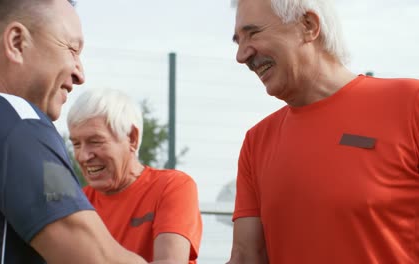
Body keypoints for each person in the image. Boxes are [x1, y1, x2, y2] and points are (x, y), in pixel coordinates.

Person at [0, 0, 150, 263]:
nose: (80, 73)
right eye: (72, 49)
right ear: (17, 42)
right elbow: (98, 258)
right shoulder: (13, 121)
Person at [228, 0, 419, 263]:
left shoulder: (410, 105)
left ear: (308, 26)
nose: (241, 55)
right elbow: (246, 257)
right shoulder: (256, 141)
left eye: (253, 33)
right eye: (237, 40)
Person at [67, 88, 203, 264]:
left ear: (132, 137)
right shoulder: (78, 203)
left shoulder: (172, 186)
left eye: (95, 142)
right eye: (76, 144)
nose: (83, 156)